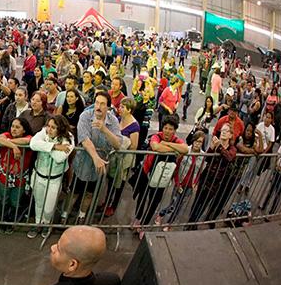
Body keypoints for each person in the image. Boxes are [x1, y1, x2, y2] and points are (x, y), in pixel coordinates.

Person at [72, 91, 123, 220]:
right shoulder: (85, 116)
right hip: (83, 162)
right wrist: (96, 158)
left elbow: (117, 144)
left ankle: (81, 216)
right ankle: (65, 214)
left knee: (90, 193)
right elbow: (85, 139)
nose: (98, 107)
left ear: (108, 107)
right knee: (74, 192)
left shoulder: (113, 120)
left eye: (102, 104)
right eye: (97, 103)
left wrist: (105, 130)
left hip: (100, 165)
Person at [132, 115, 188, 231]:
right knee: (142, 197)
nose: (167, 131)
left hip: (162, 178)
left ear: (174, 130)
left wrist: (167, 144)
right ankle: (138, 218)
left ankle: (144, 225)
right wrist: (174, 150)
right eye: (166, 128)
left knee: (154, 202)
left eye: (170, 129)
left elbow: (185, 149)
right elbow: (155, 146)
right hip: (147, 173)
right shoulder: (157, 136)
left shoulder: (176, 140)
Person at [27, 115, 74, 239]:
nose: (49, 129)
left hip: (54, 179)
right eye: (48, 126)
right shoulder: (44, 132)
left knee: (49, 208)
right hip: (39, 175)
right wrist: (54, 146)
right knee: (38, 203)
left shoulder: (69, 138)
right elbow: (32, 144)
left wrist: (44, 145)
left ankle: (47, 223)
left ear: (61, 128)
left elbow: (60, 158)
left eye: (53, 127)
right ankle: (38, 224)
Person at [187, 124, 237, 227]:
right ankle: (190, 223)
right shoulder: (215, 144)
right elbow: (207, 159)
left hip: (216, 182)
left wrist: (219, 146)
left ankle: (193, 223)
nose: (223, 132)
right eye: (222, 130)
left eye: (226, 131)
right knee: (196, 201)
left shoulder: (232, 148)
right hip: (206, 177)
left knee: (204, 203)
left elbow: (229, 158)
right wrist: (211, 148)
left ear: (231, 135)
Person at [0, 117, 33, 234]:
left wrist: (10, 143)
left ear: (24, 130)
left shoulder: (28, 137)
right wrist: (14, 147)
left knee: (15, 201)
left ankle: (10, 222)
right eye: (12, 126)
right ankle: (2, 221)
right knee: (4, 200)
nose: (14, 129)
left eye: (17, 127)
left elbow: (27, 142)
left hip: (20, 178)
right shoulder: (6, 134)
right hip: (4, 176)